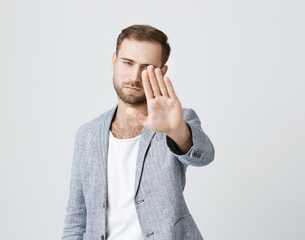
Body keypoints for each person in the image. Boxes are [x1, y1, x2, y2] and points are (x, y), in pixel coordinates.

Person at [62, 24, 215, 240]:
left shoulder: (177, 121)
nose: (134, 76)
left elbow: (205, 156)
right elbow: (76, 219)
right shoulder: (87, 135)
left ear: (162, 73)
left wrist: (177, 130)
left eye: (146, 68)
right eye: (127, 63)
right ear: (114, 61)